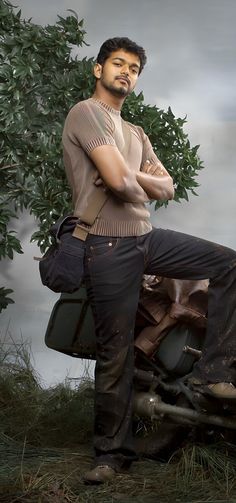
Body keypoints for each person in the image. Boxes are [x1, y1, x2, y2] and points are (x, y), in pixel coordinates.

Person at [62, 37, 236, 484]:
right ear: (98, 69)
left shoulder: (136, 132)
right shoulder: (86, 113)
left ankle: (211, 374)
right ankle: (109, 456)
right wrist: (129, 179)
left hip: (145, 238)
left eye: (134, 68)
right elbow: (120, 184)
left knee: (228, 264)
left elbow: (167, 187)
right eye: (118, 64)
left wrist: (127, 176)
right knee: (114, 354)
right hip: (105, 246)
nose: (126, 72)